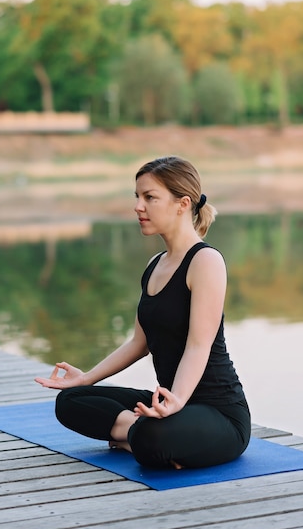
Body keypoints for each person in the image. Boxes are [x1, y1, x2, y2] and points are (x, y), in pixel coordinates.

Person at [35, 156, 251, 470]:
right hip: (168, 403)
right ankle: (136, 438)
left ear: (182, 203)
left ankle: (135, 439)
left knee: (153, 434)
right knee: (71, 401)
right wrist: (86, 377)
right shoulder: (154, 266)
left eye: (150, 197)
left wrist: (176, 400)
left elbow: (198, 345)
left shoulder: (206, 262)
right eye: (137, 197)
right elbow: (139, 342)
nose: (138, 206)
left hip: (218, 413)